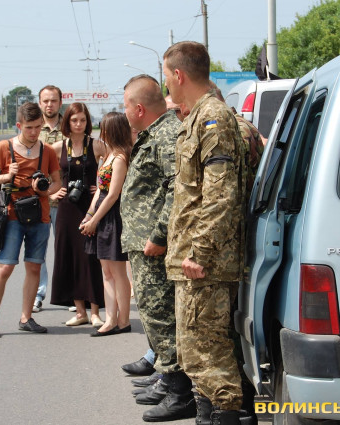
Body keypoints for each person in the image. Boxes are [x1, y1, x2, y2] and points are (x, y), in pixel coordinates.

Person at [163, 41, 255, 425]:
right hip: (195, 260)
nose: (167, 84)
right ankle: (209, 414)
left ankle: (224, 416)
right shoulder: (199, 116)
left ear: (178, 75)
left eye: (167, 76)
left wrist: (200, 252)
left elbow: (221, 195)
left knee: (208, 353)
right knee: (196, 352)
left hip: (206, 263)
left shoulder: (212, 118)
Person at [121, 74, 196, 422]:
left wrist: (159, 235)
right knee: (155, 316)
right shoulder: (153, 133)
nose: (124, 113)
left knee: (161, 316)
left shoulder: (166, 135)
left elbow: (176, 188)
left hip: (153, 246)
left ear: (138, 108)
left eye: (126, 106)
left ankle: (180, 393)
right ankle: (168, 381)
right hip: (143, 243)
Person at [0, 102, 61, 338]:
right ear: (19, 125)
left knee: (34, 266)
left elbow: (57, 182)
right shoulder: (4, 148)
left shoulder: (47, 151)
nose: (34, 132)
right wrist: (7, 176)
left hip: (40, 215)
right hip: (12, 215)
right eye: (29, 127)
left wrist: (45, 191)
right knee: (5, 266)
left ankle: (26, 318)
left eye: (37, 127)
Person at [49, 102, 106, 328]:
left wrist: (101, 187)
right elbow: (42, 174)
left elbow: (117, 165)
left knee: (91, 258)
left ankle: (95, 312)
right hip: (66, 209)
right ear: (67, 122)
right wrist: (52, 193)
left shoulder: (97, 145)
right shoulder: (57, 147)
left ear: (88, 122)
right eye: (74, 120)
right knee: (70, 257)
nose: (79, 124)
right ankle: (80, 311)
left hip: (90, 207)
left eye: (82, 120)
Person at [81, 112, 133, 337]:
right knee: (107, 271)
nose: (100, 133)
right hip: (102, 214)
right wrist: (89, 215)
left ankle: (123, 320)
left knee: (118, 271)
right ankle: (111, 319)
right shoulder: (109, 155)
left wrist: (95, 219)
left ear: (112, 130)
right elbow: (99, 191)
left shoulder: (120, 157)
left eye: (103, 129)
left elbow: (113, 195)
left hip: (113, 216)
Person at [33, 85, 64, 313]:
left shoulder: (70, 126)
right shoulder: (34, 129)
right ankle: (37, 294)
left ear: (60, 102)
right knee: (38, 252)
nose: (49, 105)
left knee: (66, 251)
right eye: (45, 101)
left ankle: (70, 296)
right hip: (39, 202)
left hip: (66, 201)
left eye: (53, 100)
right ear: (39, 103)